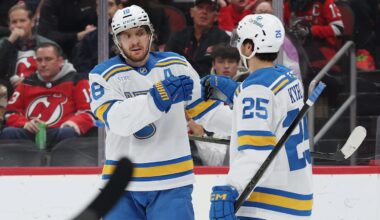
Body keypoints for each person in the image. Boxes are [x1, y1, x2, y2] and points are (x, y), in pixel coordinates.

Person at [88, 4, 231, 219]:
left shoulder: (176, 65)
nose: (135, 41)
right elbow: (117, 121)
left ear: (150, 34)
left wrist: (254, 123)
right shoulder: (103, 75)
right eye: (126, 36)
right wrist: (156, 100)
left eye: (140, 33)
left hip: (172, 182)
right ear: (117, 40)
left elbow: (206, 112)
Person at [204, 14, 313, 219]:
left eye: (241, 42)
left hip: (268, 203)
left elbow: (256, 151)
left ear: (248, 47)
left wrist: (231, 188)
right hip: (297, 196)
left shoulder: (255, 91)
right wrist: (238, 92)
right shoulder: (288, 77)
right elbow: (267, 120)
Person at [0, 42, 94, 148]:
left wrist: (70, 124)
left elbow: (88, 112)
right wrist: (25, 123)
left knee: (68, 133)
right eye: (39, 60)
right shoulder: (26, 83)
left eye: (48, 59)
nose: (43, 64)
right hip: (30, 132)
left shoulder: (77, 81)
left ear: (60, 61)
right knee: (9, 132)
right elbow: (10, 113)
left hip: (61, 132)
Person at [0, 3, 56, 121]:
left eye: (22, 20)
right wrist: (10, 42)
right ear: (9, 25)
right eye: (14, 22)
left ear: (32, 22)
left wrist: (27, 81)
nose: (18, 25)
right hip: (9, 91)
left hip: (39, 89)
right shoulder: (4, 44)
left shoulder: (47, 45)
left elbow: (56, 73)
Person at [165, 0, 230, 77]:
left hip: (209, 83)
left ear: (216, 17)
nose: (204, 12)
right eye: (200, 7)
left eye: (210, 9)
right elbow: (167, 61)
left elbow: (223, 67)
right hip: (179, 81)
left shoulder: (222, 38)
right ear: (191, 12)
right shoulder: (178, 37)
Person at [71, 0, 123, 74]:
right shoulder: (88, 40)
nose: (104, 10)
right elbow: (81, 68)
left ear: (119, 8)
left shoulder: (132, 36)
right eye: (99, 6)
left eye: (110, 5)